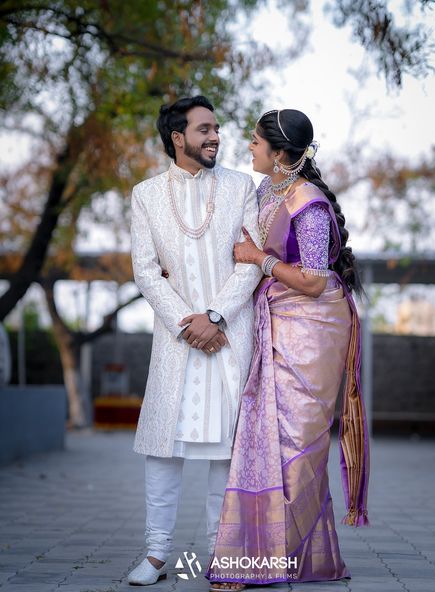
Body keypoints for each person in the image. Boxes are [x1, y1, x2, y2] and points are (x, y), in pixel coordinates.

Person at [207, 109, 370, 590]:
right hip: (274, 320)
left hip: (312, 328)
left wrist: (259, 260)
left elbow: (315, 282)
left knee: (296, 441)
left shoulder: (309, 203)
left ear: (281, 155)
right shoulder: (265, 191)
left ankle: (266, 560)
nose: (250, 149)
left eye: (256, 143)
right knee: (261, 438)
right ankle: (283, 557)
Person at [127, 96, 262, 586]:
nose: (216, 137)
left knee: (227, 451)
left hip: (229, 336)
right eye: (205, 129)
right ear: (177, 137)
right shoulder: (144, 195)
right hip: (178, 339)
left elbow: (252, 259)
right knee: (165, 449)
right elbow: (144, 270)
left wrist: (216, 317)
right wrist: (189, 323)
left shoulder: (241, 187)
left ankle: (220, 554)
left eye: (217, 128)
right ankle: (157, 555)